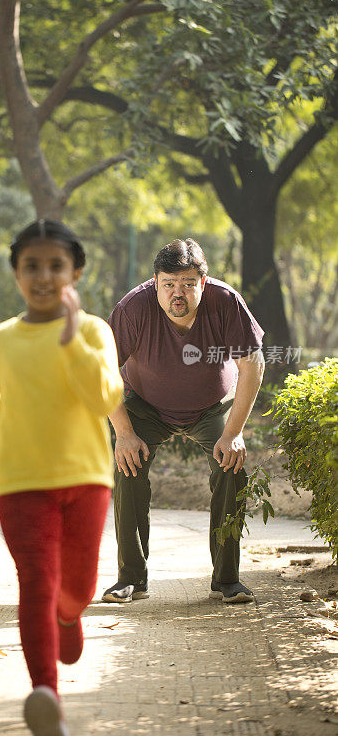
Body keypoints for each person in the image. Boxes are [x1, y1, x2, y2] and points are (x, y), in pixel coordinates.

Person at [0, 219, 123, 736]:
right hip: (21, 485)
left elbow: (105, 399)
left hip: (87, 481)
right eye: (32, 265)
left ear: (75, 272)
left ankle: (70, 616)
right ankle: (44, 694)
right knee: (35, 581)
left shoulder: (94, 331)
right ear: (16, 273)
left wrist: (71, 342)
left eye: (56, 265)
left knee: (77, 586)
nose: (44, 276)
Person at [102, 238, 265, 606]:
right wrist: (124, 432)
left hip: (211, 406)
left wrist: (234, 433)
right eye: (170, 284)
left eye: (189, 284)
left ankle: (227, 579)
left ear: (203, 284)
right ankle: (130, 578)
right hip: (145, 406)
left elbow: (253, 364)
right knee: (128, 467)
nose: (180, 293)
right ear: (155, 281)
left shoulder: (225, 301)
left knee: (231, 465)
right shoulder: (133, 308)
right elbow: (102, 371)